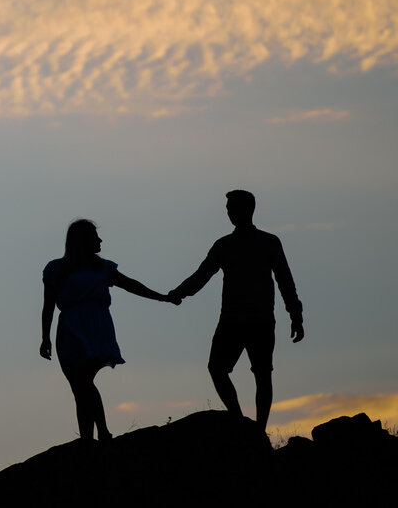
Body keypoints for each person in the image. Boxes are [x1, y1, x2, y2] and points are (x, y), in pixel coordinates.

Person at [170, 189, 304, 430]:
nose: (231, 213)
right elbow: (202, 275)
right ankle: (239, 421)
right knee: (218, 369)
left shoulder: (268, 242)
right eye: (228, 209)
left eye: (235, 208)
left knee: (262, 374)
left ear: (249, 210)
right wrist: (178, 293)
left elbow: (285, 280)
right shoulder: (224, 245)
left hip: (259, 320)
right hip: (232, 320)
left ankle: (258, 429)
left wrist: (295, 314)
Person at [40, 219, 179, 442]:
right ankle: (88, 436)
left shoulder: (102, 267)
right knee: (80, 387)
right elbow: (48, 305)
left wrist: (162, 297)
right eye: (95, 236)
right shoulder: (57, 269)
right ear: (83, 240)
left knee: (83, 382)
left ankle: (101, 432)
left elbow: (131, 285)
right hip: (70, 328)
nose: (100, 240)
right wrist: (45, 337)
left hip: (96, 327)